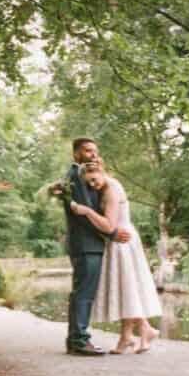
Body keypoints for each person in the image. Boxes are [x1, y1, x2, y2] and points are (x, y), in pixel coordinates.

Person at [70, 159, 162, 354]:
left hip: (122, 242)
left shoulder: (111, 190)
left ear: (102, 172)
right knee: (125, 288)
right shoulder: (106, 187)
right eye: (89, 183)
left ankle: (135, 334)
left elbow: (110, 226)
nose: (93, 185)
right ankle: (134, 334)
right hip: (117, 243)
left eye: (94, 180)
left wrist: (86, 211)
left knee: (126, 288)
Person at [61, 139, 131, 356]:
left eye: (95, 151)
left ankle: (76, 339)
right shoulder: (76, 177)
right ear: (76, 154)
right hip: (86, 244)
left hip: (87, 244)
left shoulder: (80, 176)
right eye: (87, 151)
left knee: (81, 292)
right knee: (84, 292)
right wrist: (112, 233)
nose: (92, 154)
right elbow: (84, 212)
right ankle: (79, 341)